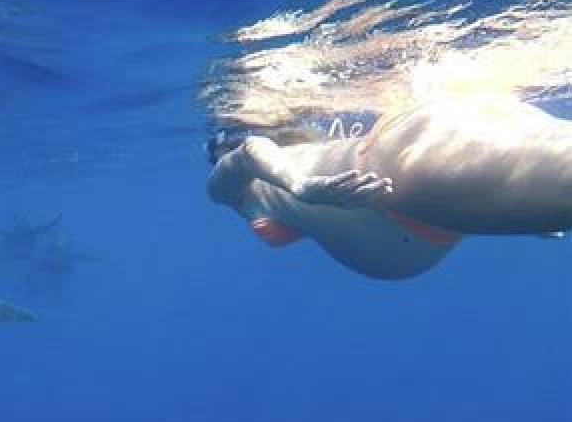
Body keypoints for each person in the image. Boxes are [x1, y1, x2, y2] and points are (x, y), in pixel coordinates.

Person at [206, 93, 572, 280]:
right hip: (437, 191)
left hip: (407, 183)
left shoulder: (236, 192)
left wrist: (302, 186)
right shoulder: (300, 159)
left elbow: (248, 153)